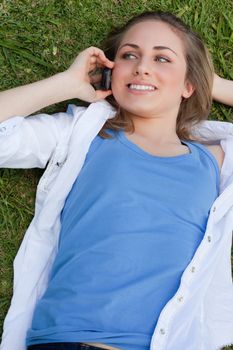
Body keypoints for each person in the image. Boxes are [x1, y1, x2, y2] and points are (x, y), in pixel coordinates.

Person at [0, 10, 233, 350]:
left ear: (189, 85)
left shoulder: (214, 159)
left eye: (162, 58)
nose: (142, 66)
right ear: (111, 71)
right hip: (64, 341)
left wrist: (208, 81)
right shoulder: (81, 135)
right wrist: (65, 83)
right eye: (129, 55)